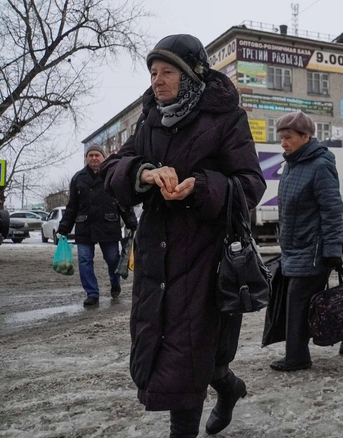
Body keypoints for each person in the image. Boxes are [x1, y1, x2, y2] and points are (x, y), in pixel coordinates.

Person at [100, 34, 265, 438]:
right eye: (154, 72)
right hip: (157, 255)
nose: (158, 80)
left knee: (188, 355)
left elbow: (251, 185)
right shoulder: (150, 118)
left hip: (206, 258)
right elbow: (113, 169)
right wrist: (142, 173)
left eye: (168, 72)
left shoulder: (226, 118)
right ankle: (229, 388)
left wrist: (201, 186)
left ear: (192, 74)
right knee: (178, 351)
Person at [270, 111, 343, 372]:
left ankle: (297, 357)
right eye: (281, 137)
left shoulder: (320, 165)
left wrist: (333, 249)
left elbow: (332, 209)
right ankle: (342, 327)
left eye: (288, 137)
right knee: (301, 303)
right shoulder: (292, 165)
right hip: (293, 249)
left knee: (298, 302)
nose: (283, 143)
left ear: (305, 137)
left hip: (312, 250)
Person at [57, 144, 138, 307]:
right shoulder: (78, 178)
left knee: (113, 259)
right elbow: (72, 206)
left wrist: (131, 222)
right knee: (85, 260)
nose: (94, 158)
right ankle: (92, 293)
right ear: (86, 158)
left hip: (108, 226)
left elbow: (123, 202)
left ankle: (115, 283)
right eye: (90, 155)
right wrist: (64, 228)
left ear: (103, 157)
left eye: (97, 155)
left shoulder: (112, 175)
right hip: (84, 227)